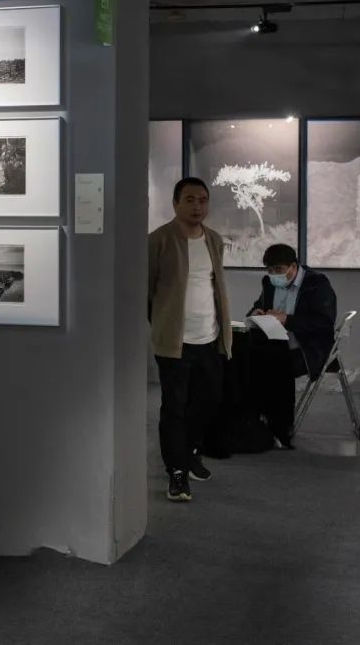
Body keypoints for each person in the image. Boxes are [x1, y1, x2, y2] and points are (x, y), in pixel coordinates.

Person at [148, 177, 233, 502]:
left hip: (210, 338)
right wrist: (163, 325)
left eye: (202, 200)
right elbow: (147, 291)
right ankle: (177, 471)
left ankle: (191, 452)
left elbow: (214, 286)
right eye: (189, 200)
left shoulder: (214, 240)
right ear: (175, 204)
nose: (197, 206)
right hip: (175, 344)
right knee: (175, 408)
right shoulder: (159, 240)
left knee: (208, 401)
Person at [247, 244, 336, 448]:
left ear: (293, 267)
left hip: (307, 349)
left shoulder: (316, 284)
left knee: (272, 365)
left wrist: (288, 319)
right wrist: (256, 313)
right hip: (274, 343)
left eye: (278, 269)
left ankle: (280, 426)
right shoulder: (269, 282)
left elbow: (324, 324)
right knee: (244, 359)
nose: (273, 275)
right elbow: (258, 305)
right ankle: (255, 420)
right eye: (269, 270)